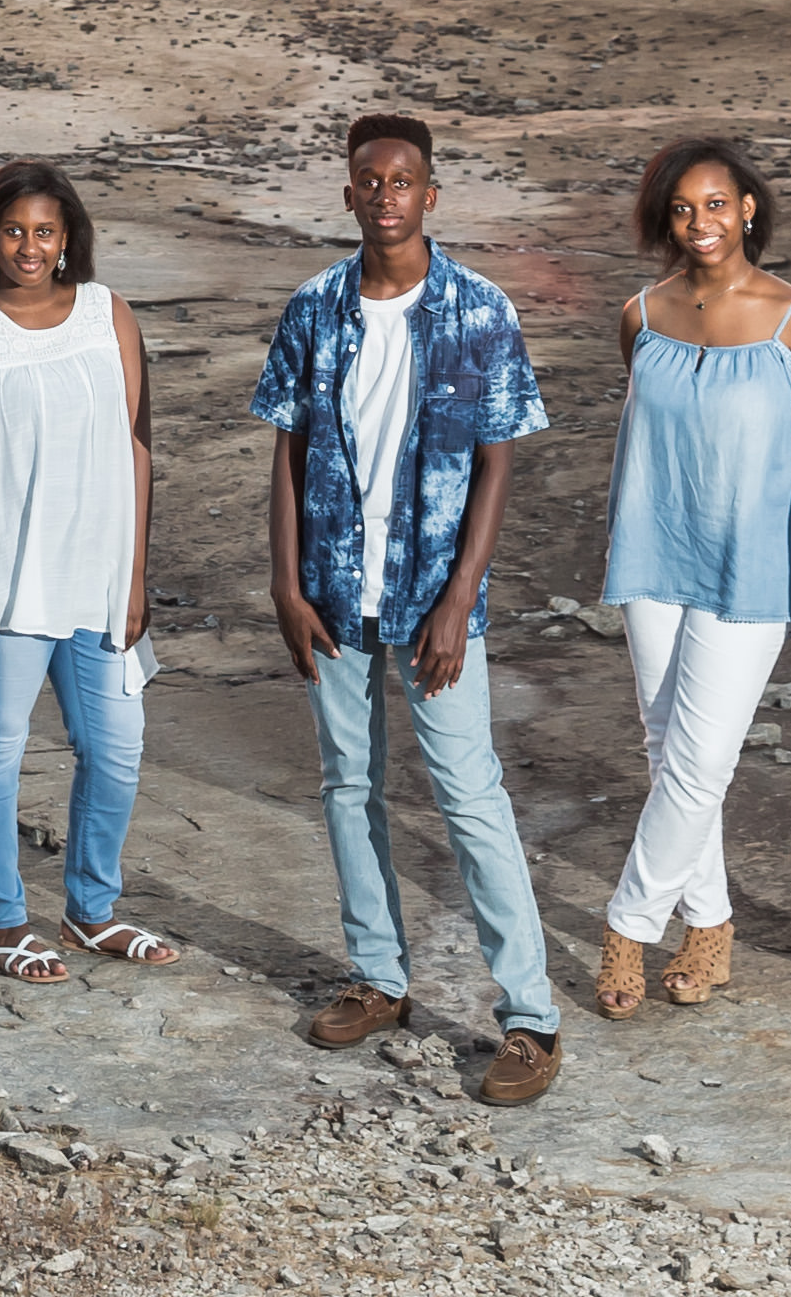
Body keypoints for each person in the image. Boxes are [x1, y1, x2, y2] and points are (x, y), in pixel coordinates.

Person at [245, 111, 567, 1104]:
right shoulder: (316, 309)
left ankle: (531, 1020)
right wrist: (286, 584)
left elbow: (497, 457)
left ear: (431, 194)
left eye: (404, 180)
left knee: (470, 798)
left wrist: (461, 592)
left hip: (436, 597)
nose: (386, 194)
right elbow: (289, 452)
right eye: (368, 180)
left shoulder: (478, 309)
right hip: (336, 594)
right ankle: (380, 979)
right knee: (350, 785)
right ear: (348, 195)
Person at [590, 134, 791, 1019]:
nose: (701, 222)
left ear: (749, 210)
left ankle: (628, 927)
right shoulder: (643, 317)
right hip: (656, 553)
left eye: (717, 204)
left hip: (753, 570)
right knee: (668, 754)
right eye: (683, 207)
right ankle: (711, 925)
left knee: (699, 764)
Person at [0, 159, 175, 985]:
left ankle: (92, 909)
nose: (30, 246)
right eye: (15, 230)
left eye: (46, 231)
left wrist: (133, 578)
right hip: (5, 589)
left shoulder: (108, 314)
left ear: (68, 240)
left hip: (97, 580)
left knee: (117, 749)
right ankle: (5, 922)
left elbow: (136, 446)